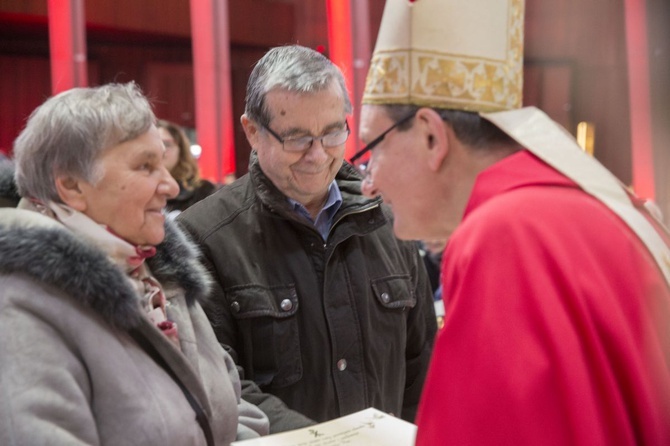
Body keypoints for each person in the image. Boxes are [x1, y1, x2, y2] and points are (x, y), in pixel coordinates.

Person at [355, 0, 670, 445]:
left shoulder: (503, 234)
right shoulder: (585, 205)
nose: (368, 182)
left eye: (373, 147)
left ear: (431, 136)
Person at [177, 44, 437, 432]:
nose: (317, 156)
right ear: (252, 132)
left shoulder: (387, 220)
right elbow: (221, 387)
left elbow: (423, 364)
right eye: (297, 139)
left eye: (333, 134)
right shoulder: (203, 236)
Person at [0, 82, 269, 445]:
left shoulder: (156, 272)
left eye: (163, 161)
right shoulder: (20, 307)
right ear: (71, 186)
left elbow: (235, 407)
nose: (171, 186)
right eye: (145, 166)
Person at [156, 119, 218, 217]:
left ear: (181, 150)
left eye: (166, 144)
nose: (161, 150)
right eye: (155, 144)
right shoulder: (139, 191)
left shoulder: (203, 191)